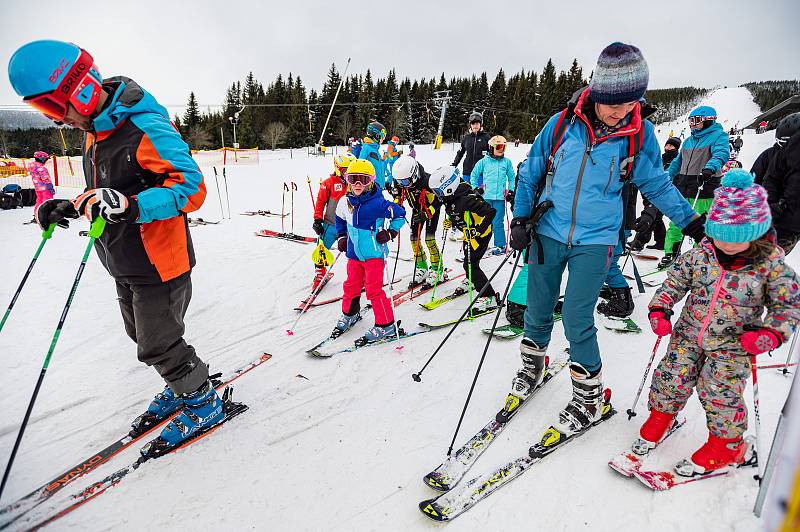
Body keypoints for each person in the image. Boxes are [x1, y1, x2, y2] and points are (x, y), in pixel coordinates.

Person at [9, 39, 224, 451]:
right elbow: (106, 192)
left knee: (157, 341)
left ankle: (199, 397)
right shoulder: (95, 131)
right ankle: (181, 379)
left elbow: (192, 186)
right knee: (140, 334)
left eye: (55, 109)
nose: (59, 121)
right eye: (44, 111)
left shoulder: (144, 127)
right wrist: (69, 205)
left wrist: (134, 205)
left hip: (160, 261)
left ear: (81, 89)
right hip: (124, 259)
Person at [509, 42, 706, 441]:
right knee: (538, 305)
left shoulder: (640, 135)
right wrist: (519, 218)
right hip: (547, 231)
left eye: (629, 101)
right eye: (611, 101)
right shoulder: (562, 123)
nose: (619, 111)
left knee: (579, 316)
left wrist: (692, 223)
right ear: (596, 91)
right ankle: (532, 364)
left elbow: (655, 181)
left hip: (597, 240)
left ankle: (589, 397)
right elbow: (531, 171)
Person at [636, 169, 800, 476]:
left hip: (733, 345)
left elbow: (788, 304)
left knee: (718, 391)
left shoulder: (770, 266)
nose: (724, 245)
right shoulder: (702, 254)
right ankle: (662, 415)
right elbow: (675, 280)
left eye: (734, 239)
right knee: (671, 375)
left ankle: (727, 444)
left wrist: (769, 334)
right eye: (718, 236)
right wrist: (661, 307)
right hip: (688, 334)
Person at [333, 159, 406, 344]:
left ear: (371, 181)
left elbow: (400, 214)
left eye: (363, 180)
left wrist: (390, 232)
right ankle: (350, 313)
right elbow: (340, 219)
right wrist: (342, 236)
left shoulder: (379, 203)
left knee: (374, 290)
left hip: (374, 255)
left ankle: (386, 325)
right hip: (354, 255)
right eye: (353, 179)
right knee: (351, 286)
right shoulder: (344, 201)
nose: (358, 184)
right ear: (346, 179)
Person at [659, 106, 730, 269]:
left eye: (696, 121)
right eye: (690, 121)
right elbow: (678, 162)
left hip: (704, 186)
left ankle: (700, 257)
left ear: (708, 120)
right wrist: (667, 176)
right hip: (684, 187)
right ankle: (671, 254)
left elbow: (722, 153)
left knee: (701, 224)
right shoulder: (689, 140)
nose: (692, 124)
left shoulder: (718, 136)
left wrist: (710, 167)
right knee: (676, 222)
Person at [428, 165, 499, 307]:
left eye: (437, 191)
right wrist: (451, 221)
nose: (436, 195)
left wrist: (477, 230)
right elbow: (456, 212)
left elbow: (491, 212)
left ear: (448, 186)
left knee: (471, 264)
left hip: (480, 236)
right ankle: (472, 280)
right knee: (468, 261)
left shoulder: (467, 199)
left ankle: (489, 296)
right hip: (468, 235)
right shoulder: (449, 197)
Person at [391, 155, 446, 287]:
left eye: (405, 182)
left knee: (429, 240)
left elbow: (441, 198)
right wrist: (396, 204)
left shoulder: (428, 181)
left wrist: (428, 212)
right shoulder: (400, 178)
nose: (402, 185)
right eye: (399, 182)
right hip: (417, 209)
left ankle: (437, 269)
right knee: (414, 239)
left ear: (414, 175)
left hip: (431, 210)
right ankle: (422, 267)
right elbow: (398, 193)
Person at [629, 137, 681, 251]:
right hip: (653, 190)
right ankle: (661, 241)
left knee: (651, 216)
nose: (668, 148)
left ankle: (638, 242)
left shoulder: (677, 161)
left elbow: (675, 177)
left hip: (666, 192)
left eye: (671, 146)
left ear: (676, 148)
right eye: (667, 145)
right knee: (657, 217)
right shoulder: (661, 158)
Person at [312, 153, 355, 287]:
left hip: (349, 226)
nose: (348, 174)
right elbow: (320, 202)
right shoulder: (328, 183)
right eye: (345, 171)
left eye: (351, 171)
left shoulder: (355, 184)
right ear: (337, 168)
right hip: (331, 225)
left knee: (354, 252)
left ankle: (358, 277)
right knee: (322, 248)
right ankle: (320, 273)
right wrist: (317, 220)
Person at [469, 135, 516, 255]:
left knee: (497, 222)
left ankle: (500, 245)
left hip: (500, 198)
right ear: (491, 147)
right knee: (483, 222)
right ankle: (480, 244)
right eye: (499, 147)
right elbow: (474, 174)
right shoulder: (484, 161)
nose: (501, 150)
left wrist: (510, 190)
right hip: (486, 197)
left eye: (504, 147)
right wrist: (475, 188)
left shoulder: (507, 162)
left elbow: (511, 178)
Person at [763, 112, 800, 254]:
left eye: (784, 143)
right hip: (778, 219)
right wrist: (770, 203)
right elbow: (771, 178)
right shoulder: (776, 155)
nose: (780, 148)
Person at [356, 121, 388, 188]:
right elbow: (360, 165)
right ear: (376, 136)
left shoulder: (375, 150)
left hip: (379, 187)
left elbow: (376, 166)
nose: (383, 140)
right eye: (382, 137)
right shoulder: (367, 148)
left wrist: (382, 160)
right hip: (372, 188)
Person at [28, 150, 55, 223]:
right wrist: (50, 187)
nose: (46, 161)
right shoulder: (42, 168)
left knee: (39, 201)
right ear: (42, 159)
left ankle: (36, 215)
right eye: (46, 159)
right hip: (45, 188)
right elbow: (45, 178)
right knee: (47, 202)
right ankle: (45, 216)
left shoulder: (33, 167)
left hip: (38, 188)